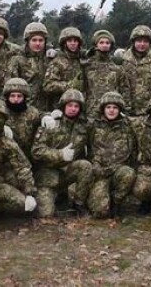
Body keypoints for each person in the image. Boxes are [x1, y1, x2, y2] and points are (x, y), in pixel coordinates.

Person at [31, 89, 93, 217]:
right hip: (47, 175)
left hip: (67, 172)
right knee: (46, 213)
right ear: (63, 106)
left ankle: (78, 204)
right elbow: (36, 151)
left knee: (85, 166)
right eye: (70, 105)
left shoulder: (84, 126)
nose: (73, 109)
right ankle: (56, 195)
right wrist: (59, 154)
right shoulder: (52, 123)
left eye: (76, 106)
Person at [87, 92, 137, 218]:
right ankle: (100, 196)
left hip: (119, 170)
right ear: (103, 109)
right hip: (100, 173)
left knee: (129, 173)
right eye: (108, 107)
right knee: (100, 212)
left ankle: (117, 202)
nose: (111, 111)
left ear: (119, 110)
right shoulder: (93, 125)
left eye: (115, 108)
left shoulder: (128, 126)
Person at [119, 25, 151, 117]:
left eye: (145, 41)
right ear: (133, 41)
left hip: (150, 109)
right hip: (127, 109)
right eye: (139, 41)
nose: (142, 44)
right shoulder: (124, 59)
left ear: (150, 43)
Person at [83, 30, 131, 120]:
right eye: (101, 42)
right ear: (96, 45)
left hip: (112, 113)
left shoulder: (117, 68)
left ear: (111, 45)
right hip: (91, 112)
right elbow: (82, 89)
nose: (104, 45)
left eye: (107, 43)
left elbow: (125, 91)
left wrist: (125, 111)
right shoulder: (87, 66)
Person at [8, 22, 51, 112]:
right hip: (25, 109)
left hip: (48, 107)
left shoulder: (50, 57)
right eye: (34, 40)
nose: (38, 43)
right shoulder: (17, 59)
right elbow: (10, 86)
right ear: (27, 41)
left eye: (41, 40)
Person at [43, 27, 86, 109]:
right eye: (70, 41)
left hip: (80, 106)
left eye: (75, 41)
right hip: (61, 106)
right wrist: (70, 85)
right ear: (64, 43)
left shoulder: (82, 60)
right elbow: (48, 85)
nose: (73, 43)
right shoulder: (57, 61)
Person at [1, 77, 42, 162]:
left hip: (28, 158)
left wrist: (47, 116)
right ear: (7, 97)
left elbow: (41, 115)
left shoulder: (31, 112)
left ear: (24, 97)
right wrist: (0, 127)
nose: (16, 99)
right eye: (12, 96)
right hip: (5, 159)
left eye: (19, 96)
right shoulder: (0, 110)